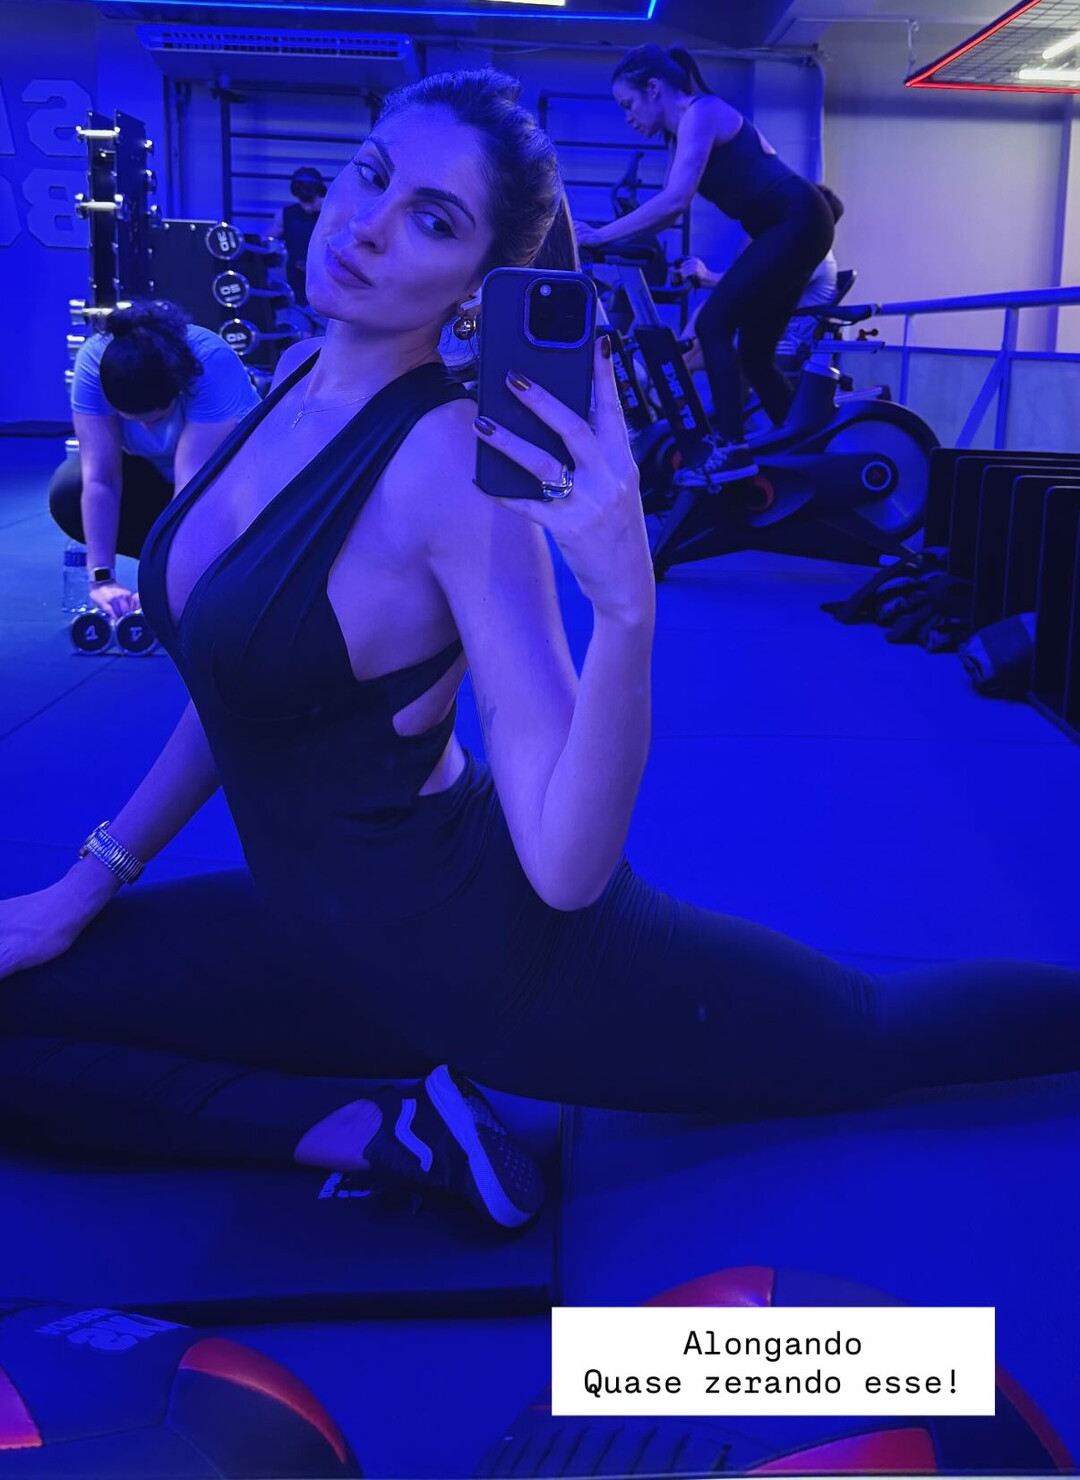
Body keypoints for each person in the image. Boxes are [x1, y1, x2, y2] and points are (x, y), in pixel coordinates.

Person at [4, 70, 1079, 1232]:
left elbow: (566, 867)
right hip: (311, 933)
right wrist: (85, 881)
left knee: (870, 1030)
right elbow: (236, 693)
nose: (365, 226)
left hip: (483, 957)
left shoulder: (447, 473)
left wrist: (625, 610)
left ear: (478, 285)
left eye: (433, 219)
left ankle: (371, 1118)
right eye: (373, 175)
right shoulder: (297, 378)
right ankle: (372, 1127)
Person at [574, 44, 841, 486]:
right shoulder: (678, 136)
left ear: (654, 89)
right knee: (755, 354)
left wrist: (600, 235)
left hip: (798, 219)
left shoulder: (703, 112)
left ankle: (730, 448)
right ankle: (806, 451)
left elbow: (675, 202)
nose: (627, 117)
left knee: (714, 323)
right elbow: (665, 212)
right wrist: (607, 240)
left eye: (628, 104)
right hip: (790, 226)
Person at [48, 302, 260, 621]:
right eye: (131, 420)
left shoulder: (211, 362)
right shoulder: (93, 362)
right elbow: (101, 477)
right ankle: (180, 572)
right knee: (70, 488)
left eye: (156, 418)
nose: (145, 428)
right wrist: (102, 580)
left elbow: (190, 488)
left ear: (177, 391)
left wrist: (162, 589)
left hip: (231, 489)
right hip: (161, 479)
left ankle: (202, 575)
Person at [674, 249, 839, 377]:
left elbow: (762, 285)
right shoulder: (801, 249)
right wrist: (703, 278)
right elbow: (752, 281)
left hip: (786, 345)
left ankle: (674, 372)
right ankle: (675, 380)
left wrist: (709, 277)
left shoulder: (816, 255)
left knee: (706, 321)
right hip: (771, 334)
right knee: (689, 358)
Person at [272, 166, 328, 308]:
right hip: (297, 288)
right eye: (304, 201)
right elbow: (268, 241)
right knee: (299, 320)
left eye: (311, 201)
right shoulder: (286, 214)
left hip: (327, 287)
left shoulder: (331, 213)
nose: (307, 208)